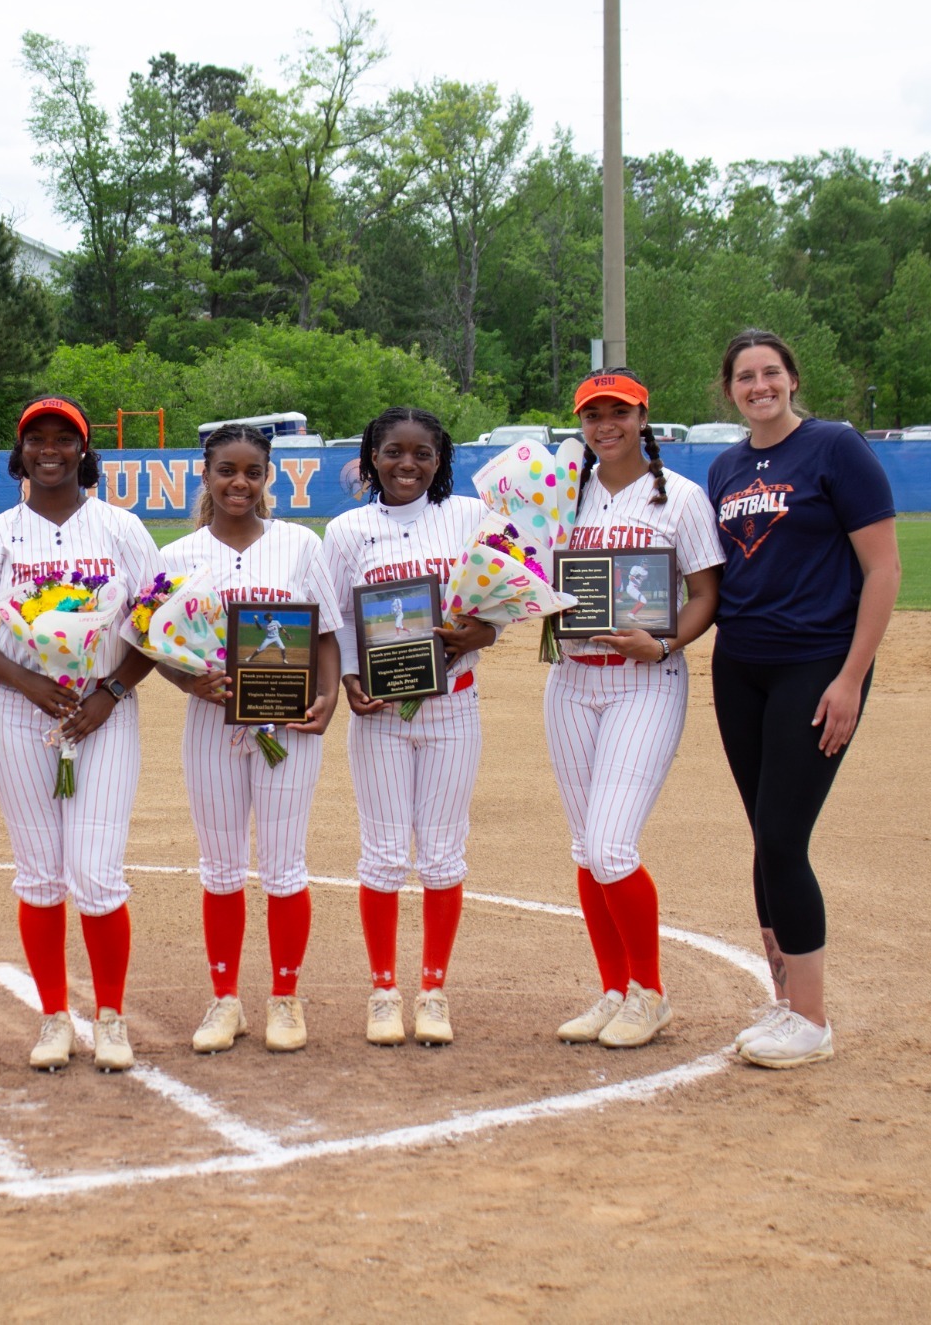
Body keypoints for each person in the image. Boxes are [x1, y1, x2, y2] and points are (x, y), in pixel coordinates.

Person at [706, 329, 900, 1068]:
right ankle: (784, 999)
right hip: (741, 665)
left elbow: (882, 570)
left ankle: (812, 1019)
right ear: (729, 390)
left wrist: (850, 677)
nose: (760, 385)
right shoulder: (726, 466)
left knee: (785, 837)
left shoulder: (835, 447)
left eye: (771, 372)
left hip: (815, 664)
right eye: (745, 377)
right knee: (763, 834)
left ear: (791, 378)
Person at [0, 395, 163, 1073]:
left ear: (83, 450)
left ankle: (109, 1015)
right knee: (40, 876)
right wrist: (30, 683)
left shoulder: (121, 528)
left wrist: (109, 690)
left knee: (98, 876)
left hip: (104, 714)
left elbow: (158, 626)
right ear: (21, 452)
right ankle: (53, 1015)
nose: (51, 450)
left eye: (64, 439)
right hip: (21, 714)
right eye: (37, 439)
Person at [544, 370, 724, 1049]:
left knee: (612, 845)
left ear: (643, 416)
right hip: (570, 680)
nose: (605, 425)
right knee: (585, 850)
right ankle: (614, 988)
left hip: (645, 679)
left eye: (619, 411)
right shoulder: (562, 495)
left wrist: (668, 638)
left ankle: (649, 993)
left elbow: (706, 592)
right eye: (593, 414)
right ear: (580, 426)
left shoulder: (680, 498)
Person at [156, 423, 341, 1054]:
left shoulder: (298, 545)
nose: (240, 482)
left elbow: (325, 635)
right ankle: (225, 999)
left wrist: (328, 696)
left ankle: (285, 1000)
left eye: (252, 472)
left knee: (285, 864)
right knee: (221, 866)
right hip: (212, 724)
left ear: (269, 478)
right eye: (226, 471)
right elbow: (156, 644)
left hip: (287, 723)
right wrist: (187, 682)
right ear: (204, 475)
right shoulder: (178, 557)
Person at [322, 407, 500, 1047]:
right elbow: (338, 619)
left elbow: (496, 602)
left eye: (421, 454)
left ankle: (433, 990)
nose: (407, 465)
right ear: (371, 457)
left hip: (452, 704)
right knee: (384, 853)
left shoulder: (469, 518)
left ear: (440, 459)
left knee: (445, 852)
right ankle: (383, 991)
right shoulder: (346, 531)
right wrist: (348, 680)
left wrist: (488, 631)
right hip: (379, 714)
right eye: (393, 452)